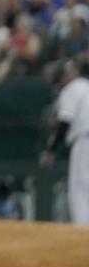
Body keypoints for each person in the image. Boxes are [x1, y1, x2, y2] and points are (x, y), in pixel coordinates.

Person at [40, 60, 89, 224]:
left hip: (85, 141)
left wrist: (51, 151)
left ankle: (84, 232)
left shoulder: (71, 90)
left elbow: (64, 123)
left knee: (80, 188)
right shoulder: (86, 86)